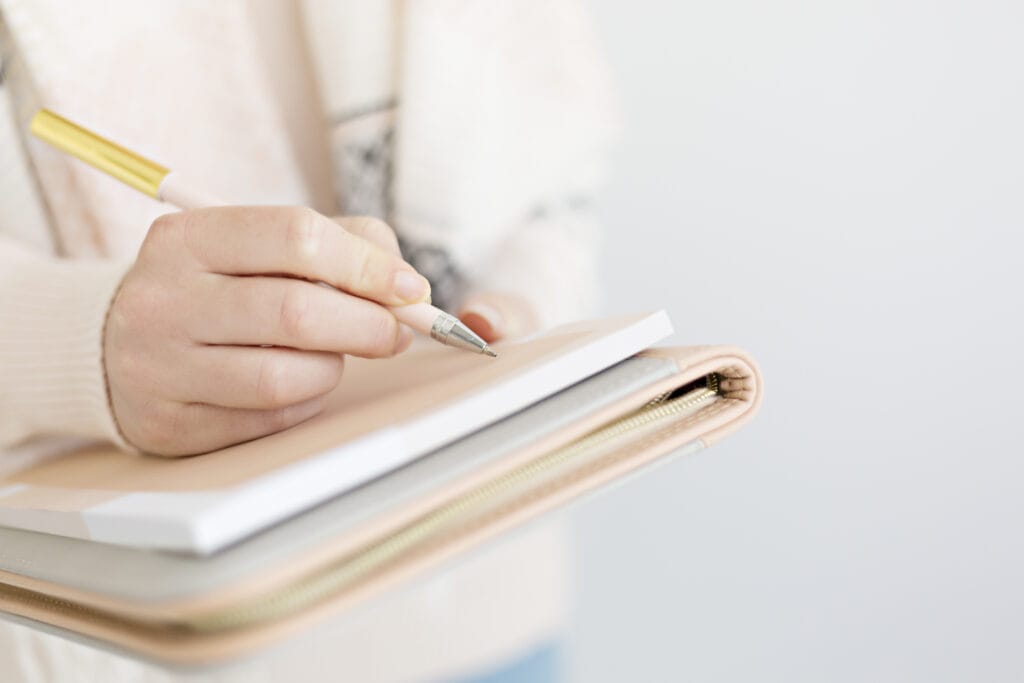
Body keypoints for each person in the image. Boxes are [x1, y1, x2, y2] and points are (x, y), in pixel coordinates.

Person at [0, 0, 615, 458]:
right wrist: (88, 339)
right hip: (135, 599)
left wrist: (530, 295)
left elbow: (561, 167)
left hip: (493, 554)